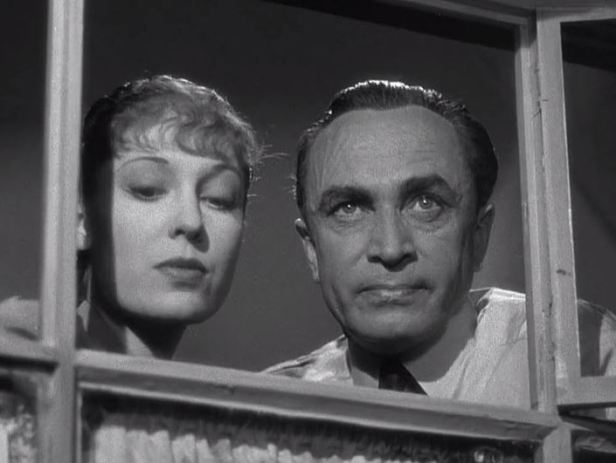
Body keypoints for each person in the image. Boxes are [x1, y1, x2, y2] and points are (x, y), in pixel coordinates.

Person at [266, 80, 616, 410]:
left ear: (479, 235)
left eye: (425, 204)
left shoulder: (578, 352)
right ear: (311, 250)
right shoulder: (268, 413)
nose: (390, 248)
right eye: (349, 208)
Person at [0, 75, 260, 358]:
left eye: (219, 199)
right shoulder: (24, 358)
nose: (191, 221)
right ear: (80, 219)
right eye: (147, 190)